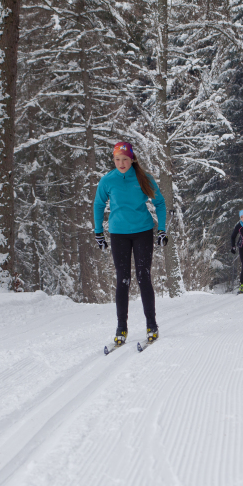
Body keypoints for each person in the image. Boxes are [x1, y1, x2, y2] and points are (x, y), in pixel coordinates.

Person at [94, 142, 167, 346]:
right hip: (118, 234)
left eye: (125, 159)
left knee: (144, 277)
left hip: (142, 232)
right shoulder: (108, 180)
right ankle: (121, 328)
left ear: (132, 159)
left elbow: (159, 203)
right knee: (122, 280)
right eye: (117, 159)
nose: (121, 163)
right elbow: (99, 205)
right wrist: (98, 232)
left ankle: (152, 325)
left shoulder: (143, 178)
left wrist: (162, 229)